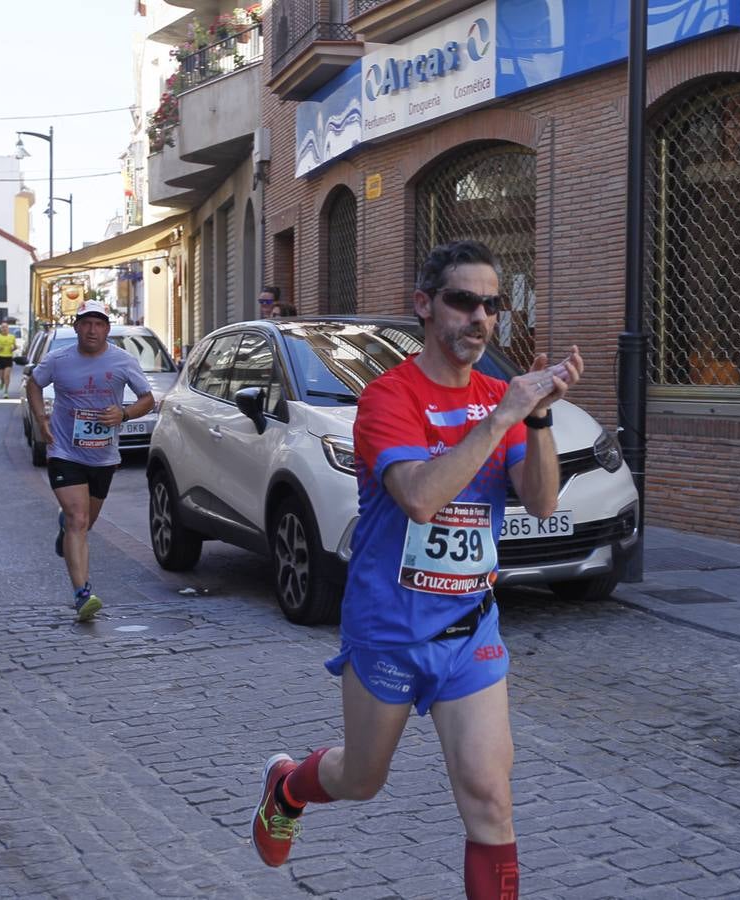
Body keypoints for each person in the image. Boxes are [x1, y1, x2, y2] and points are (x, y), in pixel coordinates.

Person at [249, 240, 582, 899]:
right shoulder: (386, 398)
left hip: (470, 630)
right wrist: (502, 417)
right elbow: (421, 498)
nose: (479, 317)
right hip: (390, 627)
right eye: (463, 301)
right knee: (360, 779)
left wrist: (537, 419)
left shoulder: (501, 398)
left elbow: (541, 501)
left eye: (491, 304)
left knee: (489, 797)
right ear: (424, 306)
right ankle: (289, 785)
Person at [26, 300, 154, 622]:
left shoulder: (123, 361)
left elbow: (148, 399)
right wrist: (41, 418)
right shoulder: (58, 360)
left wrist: (124, 413)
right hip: (64, 451)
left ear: (107, 329)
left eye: (98, 324)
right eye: (85, 323)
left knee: (85, 524)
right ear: (76, 327)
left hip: (103, 455)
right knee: (78, 520)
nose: (91, 330)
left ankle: (65, 531)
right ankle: (82, 593)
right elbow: (34, 383)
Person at [0, 322, 18, 398]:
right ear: (1, 329)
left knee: (7, 375)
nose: (4, 329)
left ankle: (6, 392)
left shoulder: (12, 337)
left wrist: (13, 348)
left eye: (6, 327)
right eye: (3, 327)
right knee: (2, 376)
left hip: (8, 357)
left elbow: (15, 347)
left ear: (8, 329)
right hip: (0, 357)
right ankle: (2, 382)